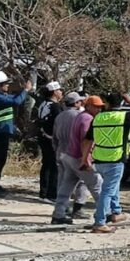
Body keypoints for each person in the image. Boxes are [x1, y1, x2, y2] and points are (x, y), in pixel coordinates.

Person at [81, 93, 130, 229]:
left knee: (113, 186)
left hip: (99, 159)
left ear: (107, 103)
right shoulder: (124, 117)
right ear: (122, 103)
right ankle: (100, 222)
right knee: (107, 191)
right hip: (115, 158)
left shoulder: (98, 118)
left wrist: (85, 159)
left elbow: (88, 140)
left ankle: (115, 212)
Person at [52, 95, 108, 230]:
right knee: (97, 184)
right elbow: (86, 140)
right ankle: (105, 215)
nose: (99, 109)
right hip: (79, 157)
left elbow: (55, 137)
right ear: (88, 106)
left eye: (100, 107)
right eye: (96, 107)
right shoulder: (87, 119)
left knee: (66, 186)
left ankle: (58, 214)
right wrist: (86, 160)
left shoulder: (79, 116)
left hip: (68, 155)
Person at [0, 71, 31, 197]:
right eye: (6, 84)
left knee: (1, 159)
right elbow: (16, 102)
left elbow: (15, 99)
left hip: (3, 132)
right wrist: (26, 90)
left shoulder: (1, 96)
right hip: (0, 132)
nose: (8, 86)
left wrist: (23, 92)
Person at [52, 91, 90, 220]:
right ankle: (78, 208)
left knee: (63, 181)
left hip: (61, 151)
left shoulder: (60, 116)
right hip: (75, 152)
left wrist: (56, 150)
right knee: (82, 181)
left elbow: (54, 137)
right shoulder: (80, 116)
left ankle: (63, 208)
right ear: (76, 103)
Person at [36, 81, 63, 202]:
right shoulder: (55, 106)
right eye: (60, 90)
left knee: (46, 164)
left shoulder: (43, 104)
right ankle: (51, 194)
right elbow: (59, 123)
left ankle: (43, 192)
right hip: (51, 138)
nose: (61, 92)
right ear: (54, 92)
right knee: (54, 166)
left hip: (42, 136)